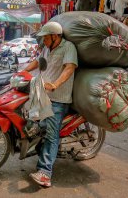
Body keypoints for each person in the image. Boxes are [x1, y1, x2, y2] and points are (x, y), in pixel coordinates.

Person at [23, 21, 78, 187]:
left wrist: (55, 84)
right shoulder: (47, 48)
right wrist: (22, 71)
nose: (44, 41)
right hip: (41, 93)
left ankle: (45, 173)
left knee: (51, 136)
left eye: (46, 38)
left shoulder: (68, 47)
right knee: (31, 122)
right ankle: (38, 151)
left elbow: (70, 68)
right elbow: (38, 62)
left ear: (55, 36)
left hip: (58, 98)